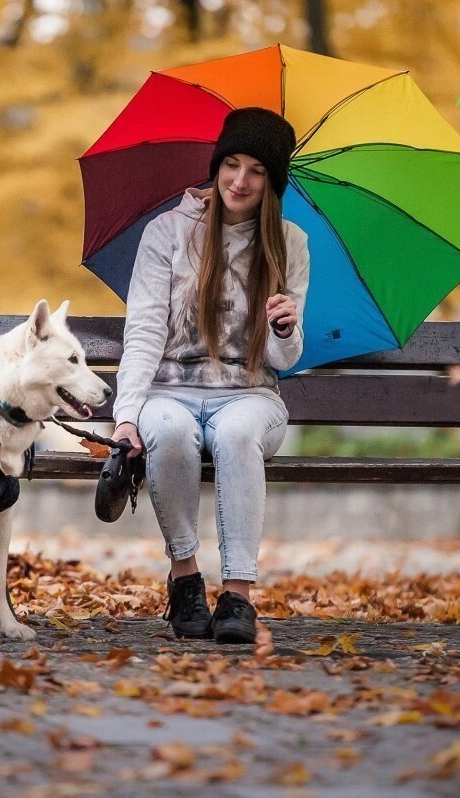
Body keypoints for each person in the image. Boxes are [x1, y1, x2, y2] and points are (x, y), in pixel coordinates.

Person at [112, 107, 309, 644]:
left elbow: (282, 361)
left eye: (257, 171)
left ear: (273, 182)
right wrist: (127, 415)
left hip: (250, 395)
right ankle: (185, 581)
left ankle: (239, 596)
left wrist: (286, 329)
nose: (239, 181)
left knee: (237, 432)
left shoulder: (290, 243)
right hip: (169, 390)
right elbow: (146, 330)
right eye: (232, 164)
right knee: (171, 431)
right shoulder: (168, 233)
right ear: (217, 165)